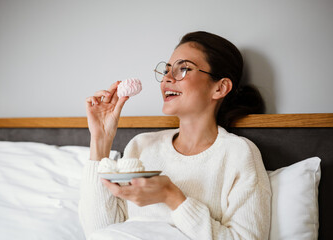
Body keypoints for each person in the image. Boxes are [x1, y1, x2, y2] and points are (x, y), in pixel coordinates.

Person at [79, 31, 271, 240]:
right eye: (166, 70)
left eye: (184, 69)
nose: (167, 79)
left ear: (220, 87)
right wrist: (101, 139)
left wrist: (172, 196)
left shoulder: (238, 153)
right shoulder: (141, 146)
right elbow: (99, 231)